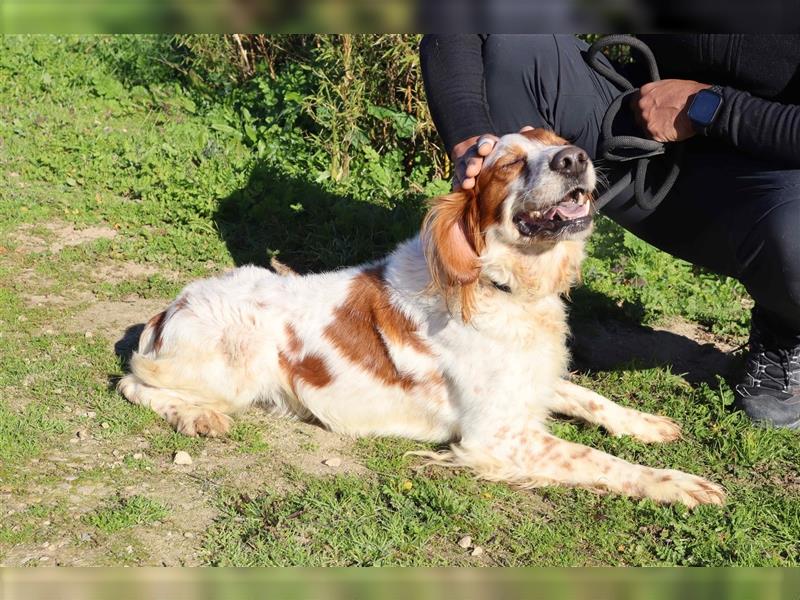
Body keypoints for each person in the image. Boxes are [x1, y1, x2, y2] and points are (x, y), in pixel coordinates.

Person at [419, 34, 800, 429]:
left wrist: (710, 108)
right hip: (638, 129)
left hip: (776, 185)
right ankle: (506, 301)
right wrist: (471, 140)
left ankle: (786, 326)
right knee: (512, 39)